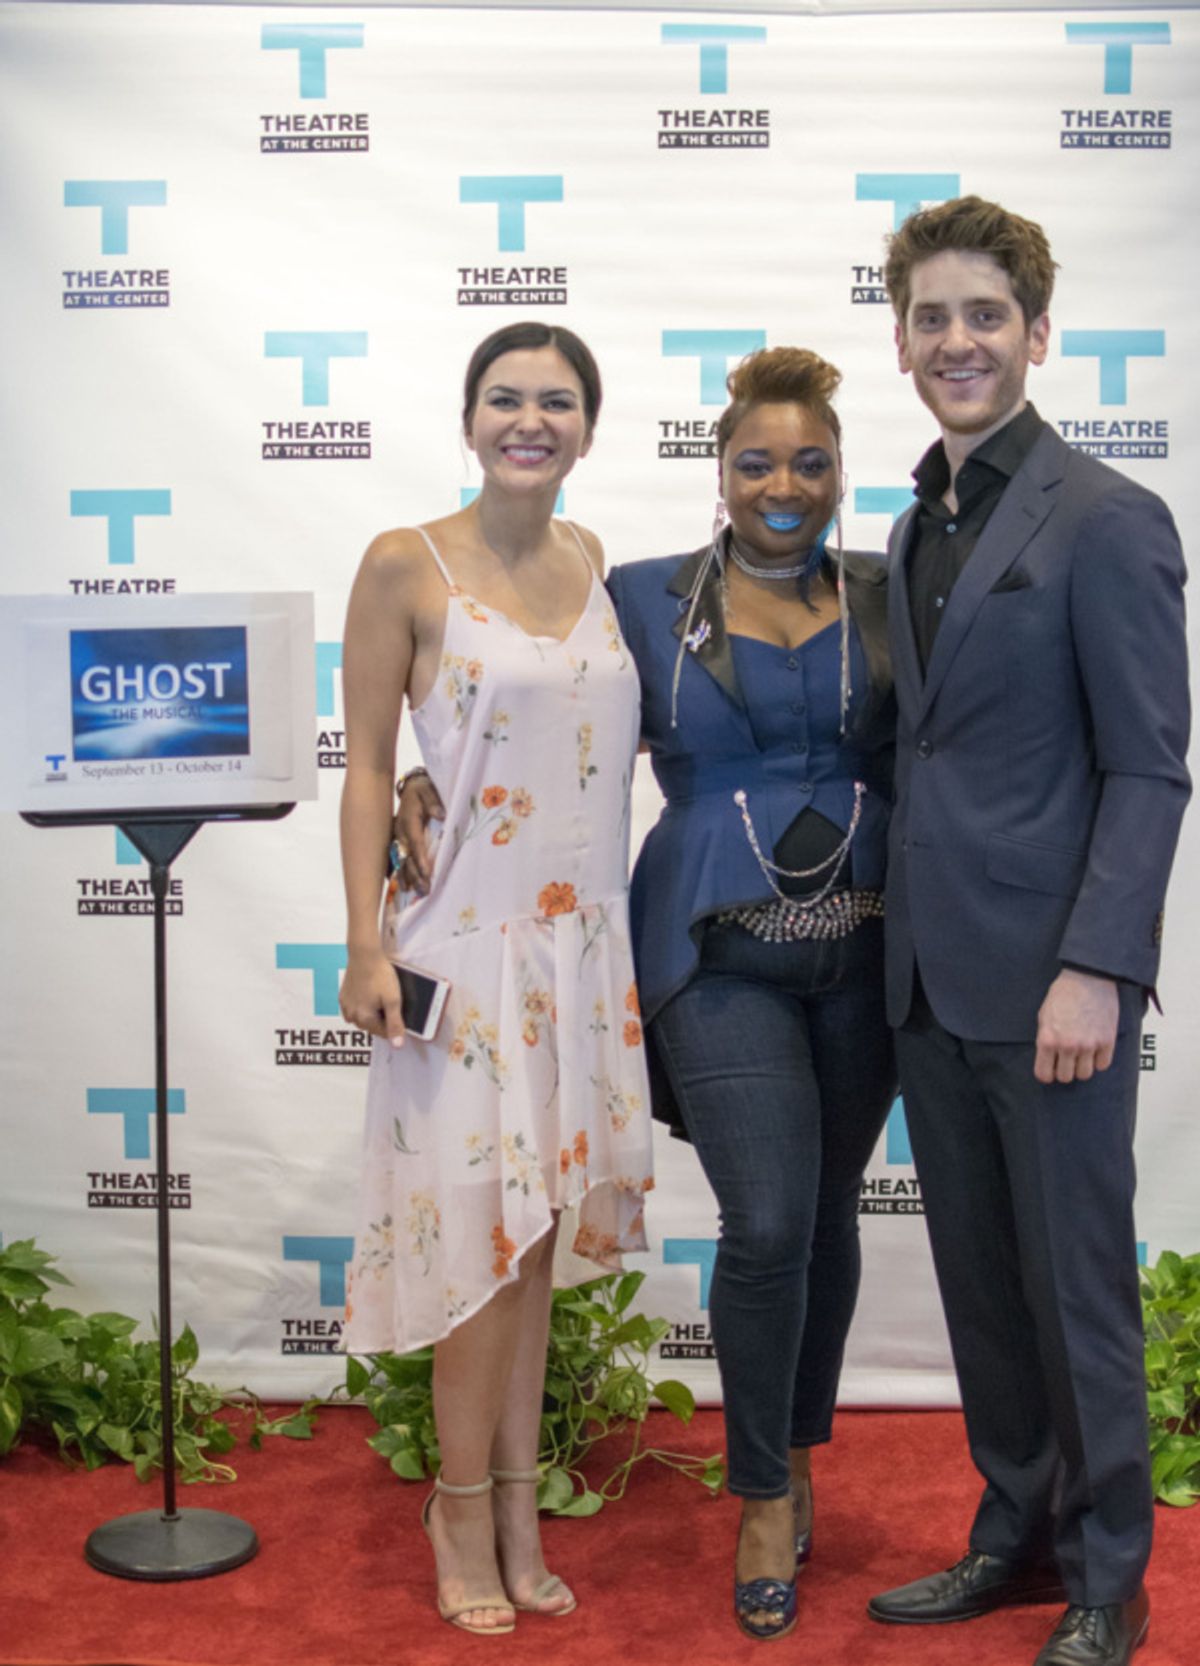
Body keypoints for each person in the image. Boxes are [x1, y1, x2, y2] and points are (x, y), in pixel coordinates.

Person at [866, 197, 1190, 1666]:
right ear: (902, 341)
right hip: (929, 982)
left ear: (1037, 334)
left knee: (1076, 1293)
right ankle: (1016, 1533)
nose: (958, 340)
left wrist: (1099, 967)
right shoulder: (910, 523)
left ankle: (1111, 1574)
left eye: (984, 315)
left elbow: (1148, 767)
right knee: (986, 1292)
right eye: (932, 317)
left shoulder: (1110, 520)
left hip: (1055, 984)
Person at [337, 321, 653, 1636]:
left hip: (583, 958)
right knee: (477, 1249)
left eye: (558, 401)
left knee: (529, 1254)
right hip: (464, 956)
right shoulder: (403, 562)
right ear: (469, 420)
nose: (532, 419)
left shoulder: (599, 562)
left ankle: (519, 1507)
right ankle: (458, 1507)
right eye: (507, 398)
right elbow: (369, 764)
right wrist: (363, 940)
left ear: (588, 428)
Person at [611, 348, 896, 1640]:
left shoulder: (890, 594)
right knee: (770, 1217)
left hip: (869, 953)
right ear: (719, 471)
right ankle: (764, 1493)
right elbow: (532, 707)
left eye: (811, 462)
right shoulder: (643, 598)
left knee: (828, 1214)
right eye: (758, 462)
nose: (785, 485)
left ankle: (799, 1445)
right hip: (716, 950)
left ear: (840, 472)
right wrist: (417, 779)